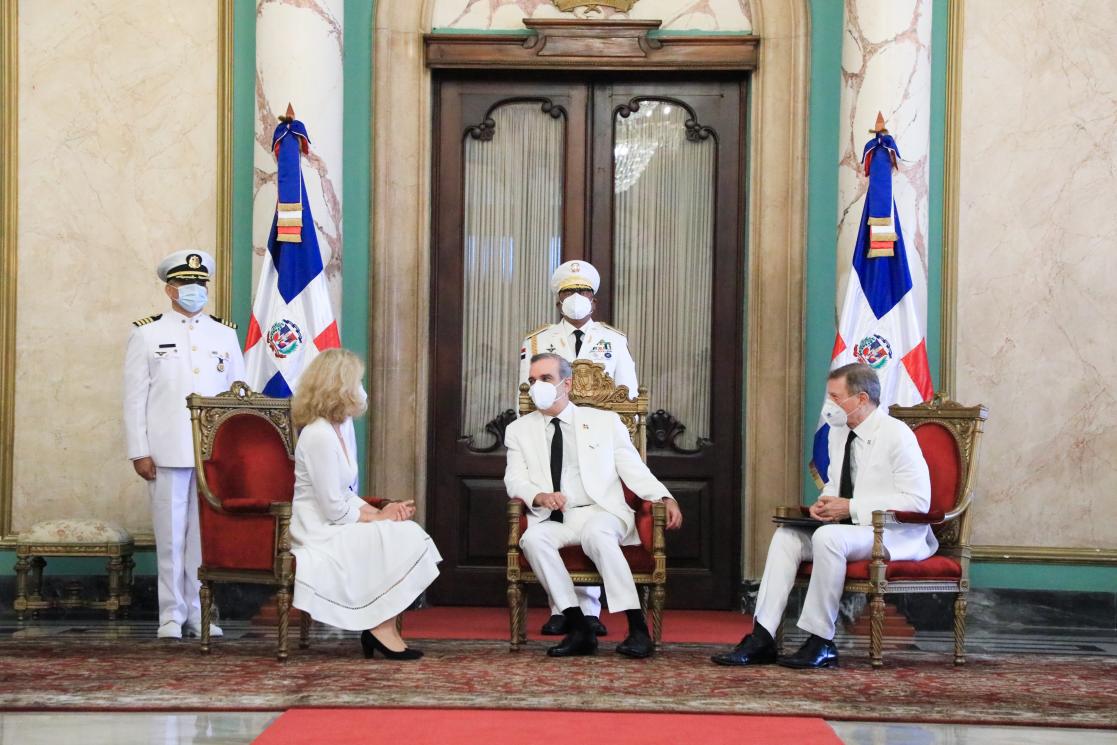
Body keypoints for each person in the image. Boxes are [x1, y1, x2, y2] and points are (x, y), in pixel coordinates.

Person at [711, 363, 934, 669]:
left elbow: (919, 501)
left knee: (829, 538)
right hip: (849, 529)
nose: (829, 404)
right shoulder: (840, 433)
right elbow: (834, 483)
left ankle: (821, 641)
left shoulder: (897, 435)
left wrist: (851, 507)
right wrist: (824, 504)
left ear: (861, 399)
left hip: (894, 534)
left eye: (835, 396)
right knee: (787, 537)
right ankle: (763, 635)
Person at [505, 353, 683, 658]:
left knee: (596, 534)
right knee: (533, 539)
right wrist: (538, 496)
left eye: (545, 379)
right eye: (533, 381)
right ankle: (579, 628)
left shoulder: (605, 422)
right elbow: (515, 479)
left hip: (603, 512)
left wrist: (664, 497)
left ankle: (637, 628)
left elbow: (633, 468)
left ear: (567, 383)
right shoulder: (518, 430)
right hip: (557, 516)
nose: (537, 387)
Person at [289, 348, 442, 661]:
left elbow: (346, 492)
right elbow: (332, 507)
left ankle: (380, 626)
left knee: (405, 532)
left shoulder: (342, 427)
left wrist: (382, 513)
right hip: (318, 529)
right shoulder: (318, 435)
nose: (362, 389)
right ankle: (379, 628)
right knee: (395, 536)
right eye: (357, 382)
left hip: (338, 519)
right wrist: (378, 518)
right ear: (339, 387)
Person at [123, 250, 245, 640]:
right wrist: (139, 450)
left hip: (212, 454)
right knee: (171, 537)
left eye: (201, 285)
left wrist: (233, 454)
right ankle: (170, 615)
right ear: (169, 289)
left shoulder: (224, 333)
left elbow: (237, 397)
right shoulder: (147, 333)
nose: (196, 291)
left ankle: (200, 612)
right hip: (166, 451)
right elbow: (134, 398)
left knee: (203, 540)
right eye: (187, 285)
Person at [517, 259, 638, 637]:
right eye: (568, 292)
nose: (576, 298)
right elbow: (525, 397)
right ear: (558, 300)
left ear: (594, 299)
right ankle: (562, 609)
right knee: (559, 514)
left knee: (592, 513)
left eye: (582, 291)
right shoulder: (537, 342)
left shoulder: (613, 341)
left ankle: (590, 610)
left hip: (598, 443)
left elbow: (629, 397)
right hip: (553, 438)